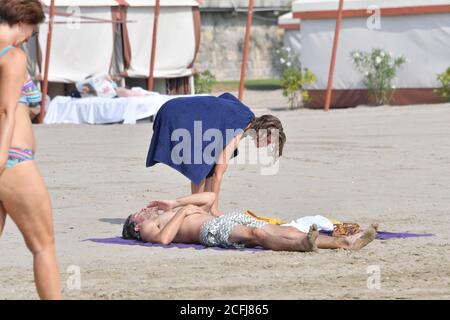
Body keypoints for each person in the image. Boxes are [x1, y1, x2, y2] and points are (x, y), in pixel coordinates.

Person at [0, 0, 61, 299]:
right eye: (32, 32)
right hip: (12, 158)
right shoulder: (12, 55)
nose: (28, 37)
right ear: (23, 21)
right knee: (43, 245)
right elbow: (8, 111)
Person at [146, 93, 287, 216]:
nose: (268, 145)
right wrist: (215, 207)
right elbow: (219, 173)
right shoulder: (240, 126)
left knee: (207, 163)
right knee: (200, 166)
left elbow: (226, 97)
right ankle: (196, 210)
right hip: (175, 114)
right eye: (269, 141)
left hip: (173, 108)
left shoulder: (246, 115)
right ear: (264, 131)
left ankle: (200, 208)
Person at [122, 193, 377, 252]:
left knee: (282, 229)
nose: (142, 211)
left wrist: (176, 203)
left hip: (223, 218)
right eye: (138, 214)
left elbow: (210, 197)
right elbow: (164, 240)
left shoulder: (169, 212)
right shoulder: (145, 228)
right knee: (256, 233)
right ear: (135, 225)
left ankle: (343, 241)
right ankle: (302, 245)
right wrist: (184, 212)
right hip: (209, 229)